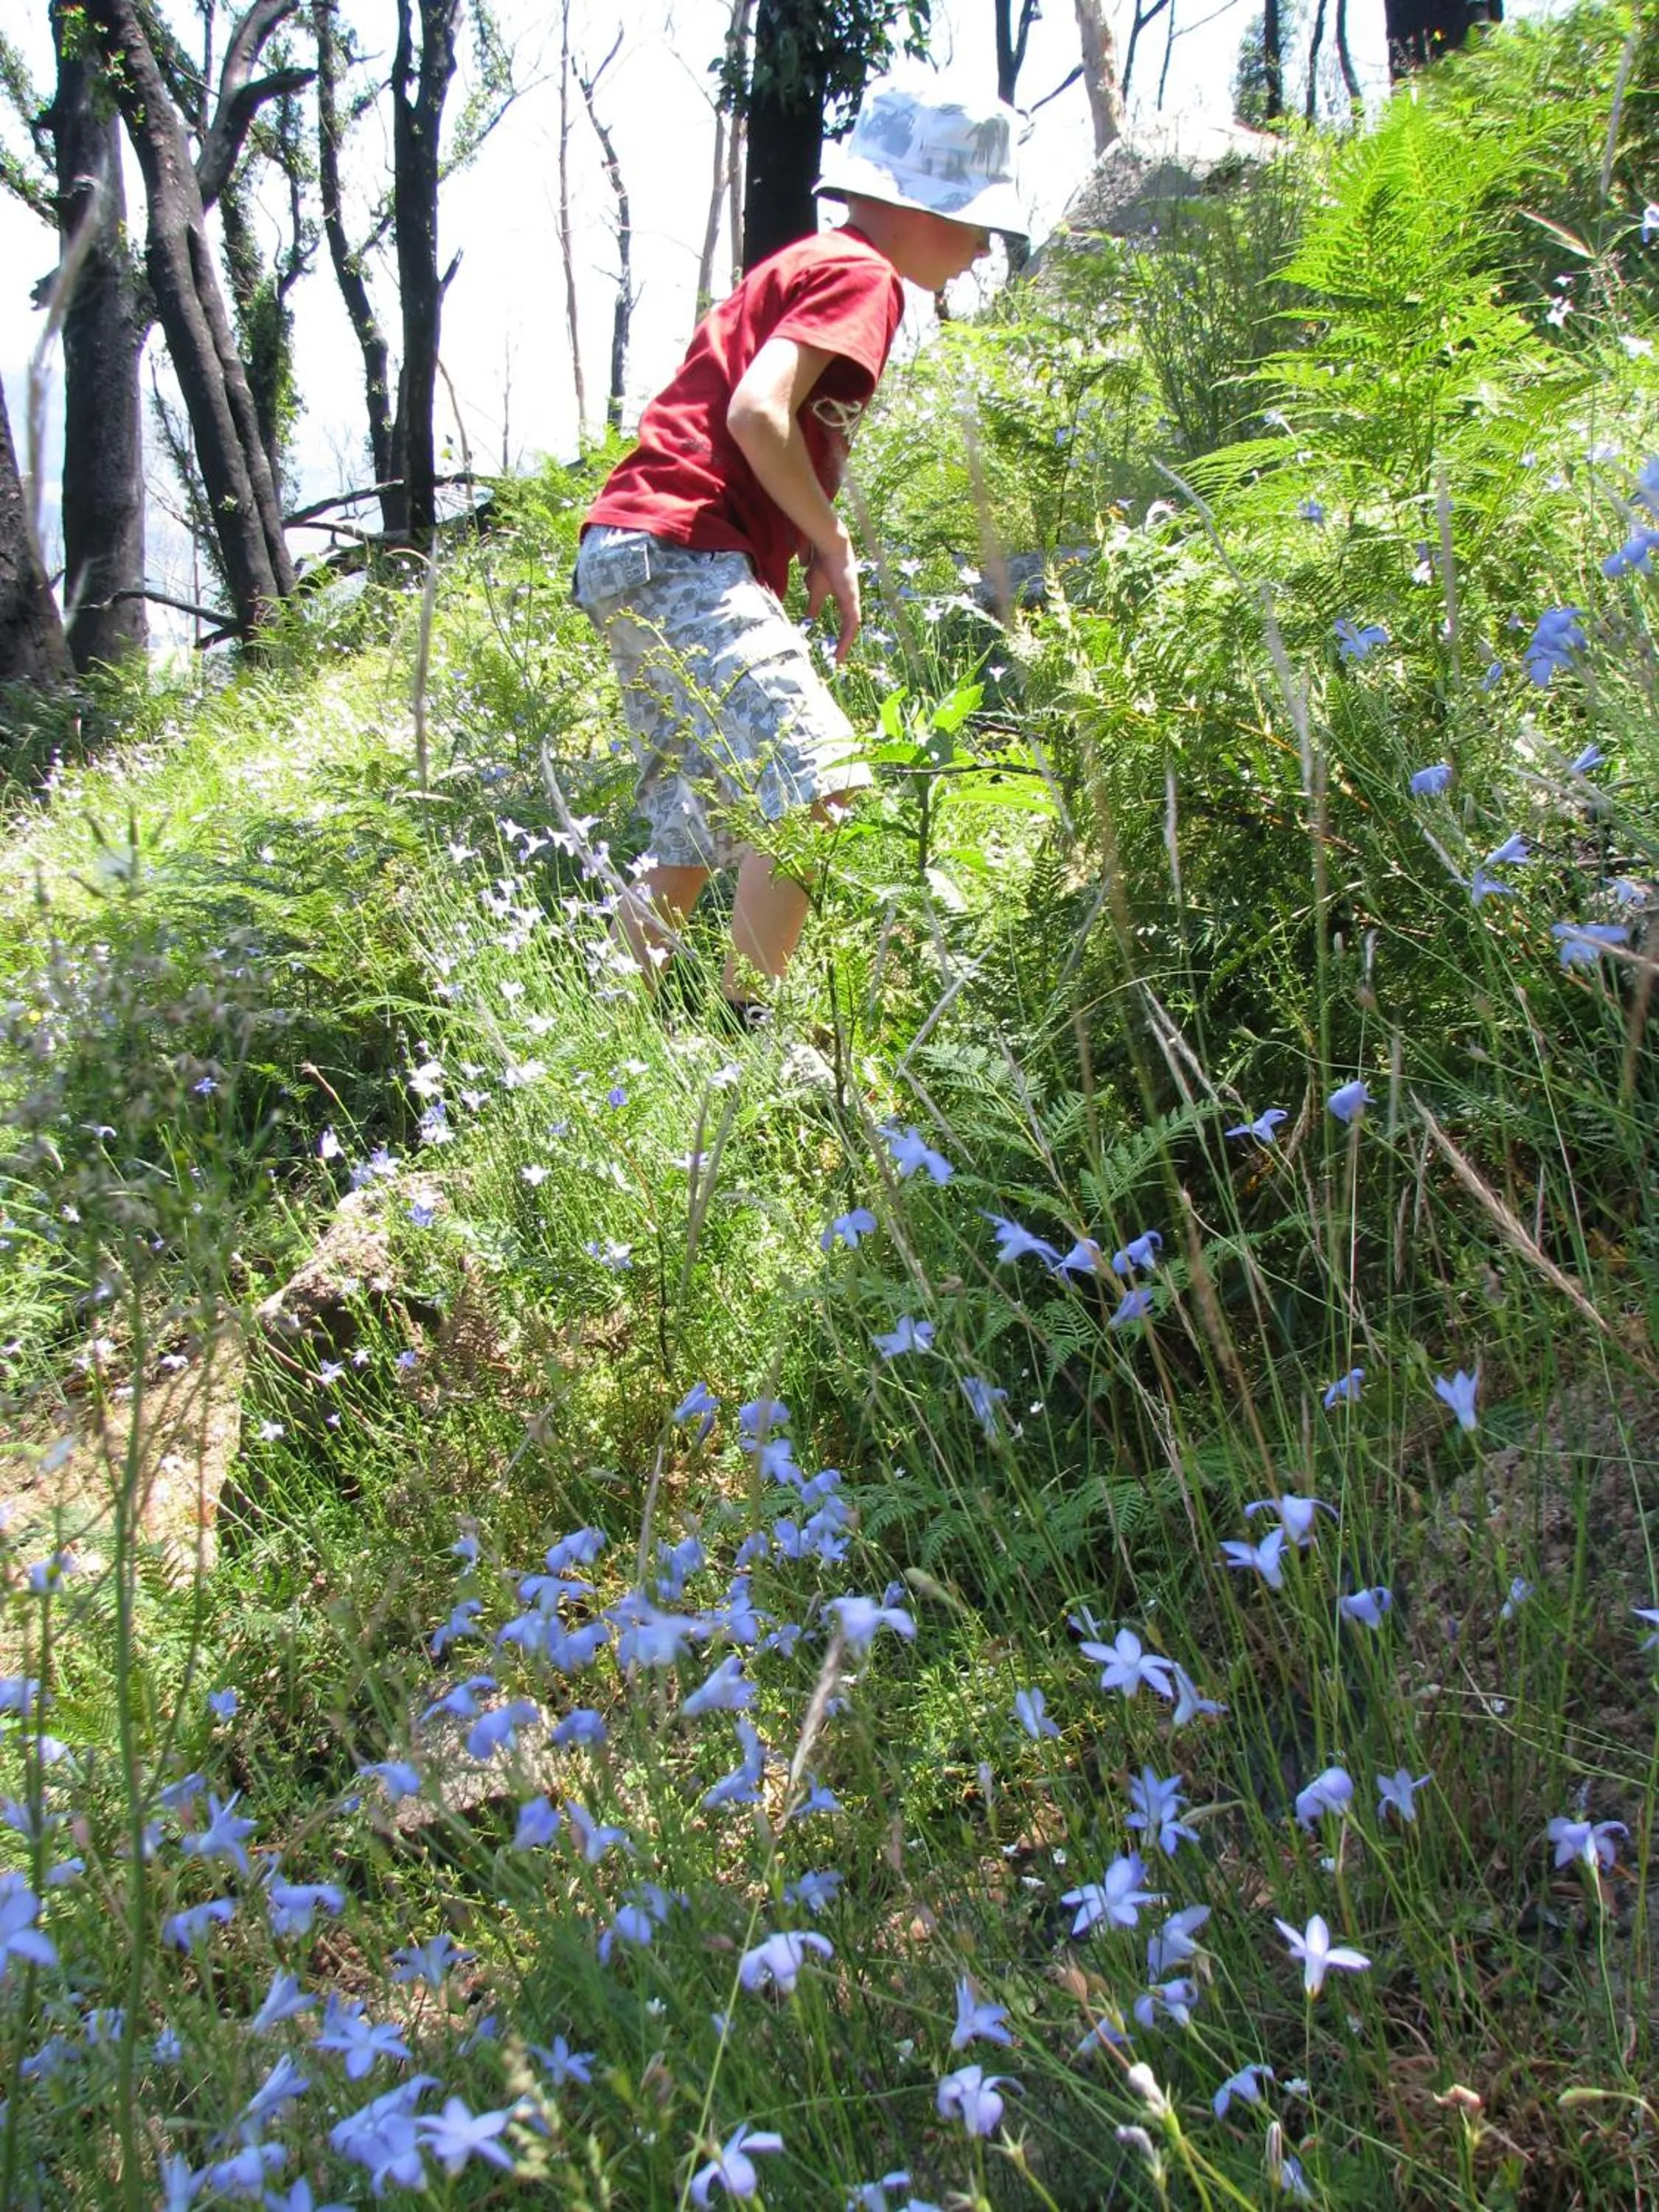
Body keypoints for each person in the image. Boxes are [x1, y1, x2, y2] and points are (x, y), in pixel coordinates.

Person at [572, 74, 1026, 1024]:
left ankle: (598, 1049)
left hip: (634, 546)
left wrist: (804, 542)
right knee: (818, 782)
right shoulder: (862, 275)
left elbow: (772, 421)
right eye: (972, 218)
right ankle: (751, 1046)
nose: (984, 244)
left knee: (690, 834)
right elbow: (754, 413)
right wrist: (835, 540)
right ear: (912, 205)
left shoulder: (817, 263)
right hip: (681, 545)